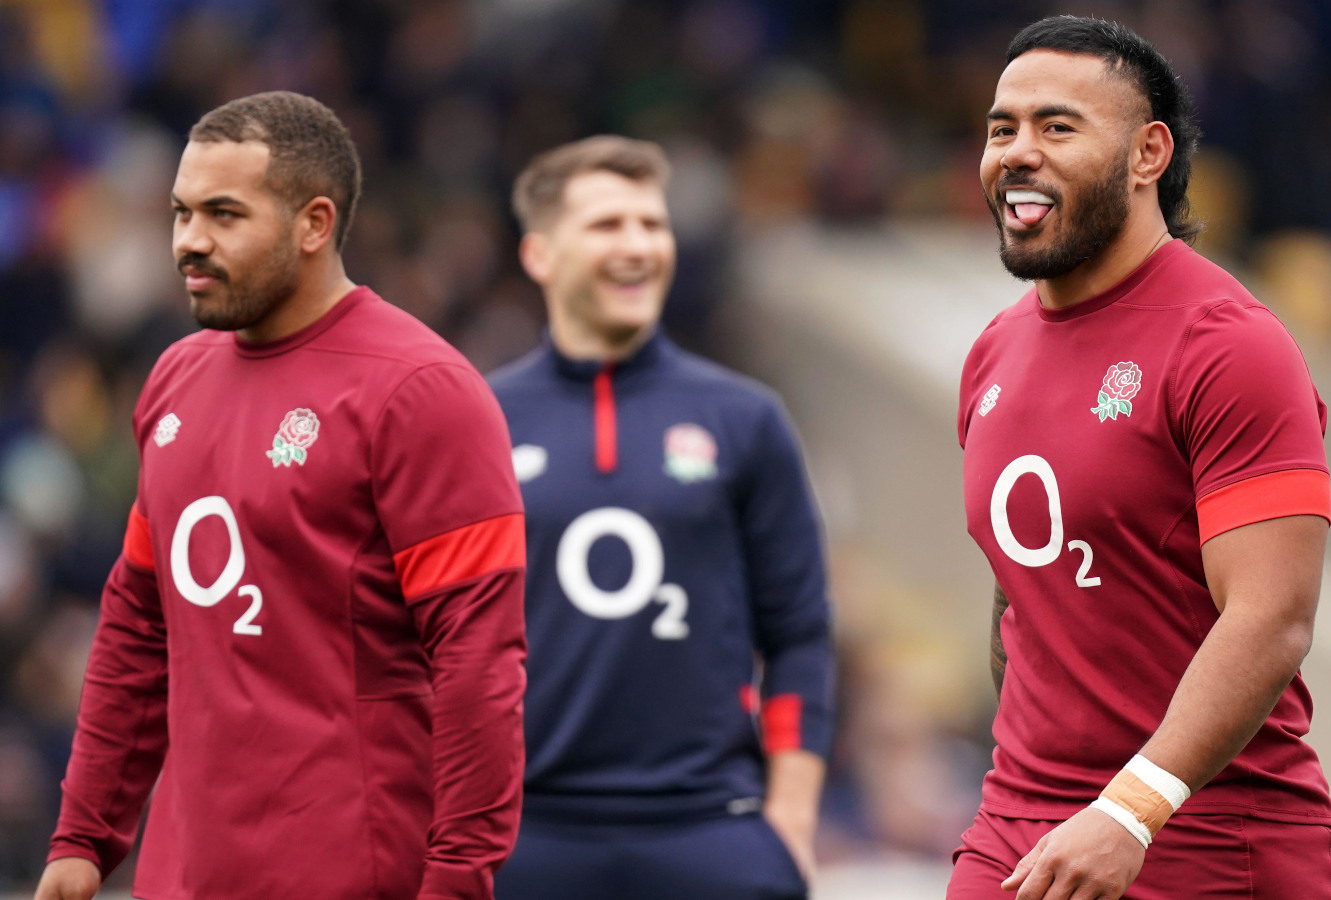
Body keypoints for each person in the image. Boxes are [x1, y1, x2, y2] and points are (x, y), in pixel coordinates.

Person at [34, 92, 528, 900]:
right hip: (183, 875)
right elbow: (139, 625)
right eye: (181, 212)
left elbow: (480, 666)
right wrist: (83, 834)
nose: (190, 241)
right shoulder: (173, 379)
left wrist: (460, 880)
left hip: (354, 874)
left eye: (225, 214)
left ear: (314, 223)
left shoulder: (422, 391)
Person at [950, 16, 1331, 900]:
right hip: (1022, 827)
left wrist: (1131, 807)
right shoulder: (992, 353)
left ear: (1147, 154)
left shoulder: (1230, 343)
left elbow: (1272, 617)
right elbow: (1022, 595)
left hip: (1209, 836)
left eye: (1057, 127)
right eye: (1000, 127)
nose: (1017, 151)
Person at [487, 136, 832, 900]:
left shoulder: (745, 418)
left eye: (653, 224)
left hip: (710, 831)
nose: (639, 246)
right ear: (540, 254)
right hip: (523, 838)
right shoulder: (474, 420)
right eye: (608, 225)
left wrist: (792, 822)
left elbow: (800, 632)